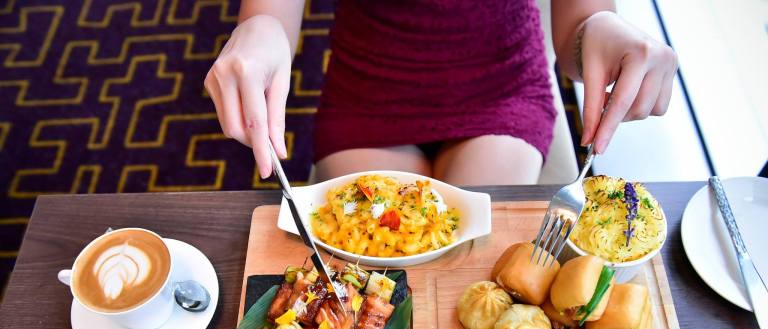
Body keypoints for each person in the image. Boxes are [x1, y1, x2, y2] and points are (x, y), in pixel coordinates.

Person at [205, 0, 677, 185]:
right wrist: (261, 28)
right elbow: (272, 11)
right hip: (369, 88)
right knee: (379, 266)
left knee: (474, 258)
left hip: (501, 87)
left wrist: (599, 29)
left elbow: (576, 38)